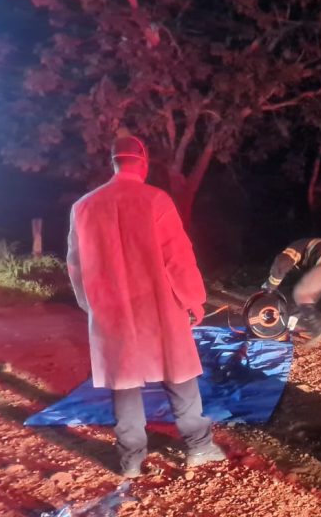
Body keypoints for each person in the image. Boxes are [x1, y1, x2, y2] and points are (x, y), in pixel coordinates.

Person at [66, 133, 225, 478]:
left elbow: (76, 265)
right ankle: (199, 446)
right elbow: (177, 257)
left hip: (112, 310)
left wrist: (90, 305)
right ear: (144, 162)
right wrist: (193, 299)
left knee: (124, 381)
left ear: (113, 162)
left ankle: (131, 462)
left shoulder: (84, 206)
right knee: (179, 373)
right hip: (159, 306)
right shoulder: (156, 199)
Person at [261, 238, 321, 344]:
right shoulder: (310, 248)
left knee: (301, 295)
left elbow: (281, 264)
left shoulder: (294, 248)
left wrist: (269, 287)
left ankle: (318, 328)